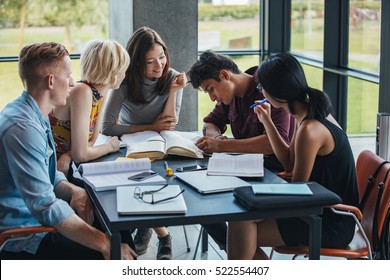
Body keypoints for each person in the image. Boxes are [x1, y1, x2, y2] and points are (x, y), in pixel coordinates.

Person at [0, 42, 137, 260]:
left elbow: (46, 174)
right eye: (68, 75)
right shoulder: (23, 128)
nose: (73, 82)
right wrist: (103, 243)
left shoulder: (34, 115)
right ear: (51, 81)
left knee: (116, 225)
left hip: (36, 220)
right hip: (23, 235)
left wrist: (72, 190)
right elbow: (45, 206)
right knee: (111, 246)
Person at [228, 52, 359, 259]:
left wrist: (260, 196)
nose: (261, 93)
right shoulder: (308, 113)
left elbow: (298, 187)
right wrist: (267, 122)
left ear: (276, 91)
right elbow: (289, 162)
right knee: (241, 223)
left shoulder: (310, 128)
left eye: (262, 88)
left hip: (330, 220)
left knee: (241, 227)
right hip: (319, 208)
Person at [187, 50, 292, 251]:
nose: (212, 98)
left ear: (225, 75)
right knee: (198, 200)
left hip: (274, 178)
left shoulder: (268, 89)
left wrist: (223, 146)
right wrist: (215, 136)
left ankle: (234, 249)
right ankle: (233, 248)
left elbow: (275, 142)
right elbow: (211, 122)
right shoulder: (230, 97)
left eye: (211, 89)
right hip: (245, 173)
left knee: (223, 211)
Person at [102, 26, 187, 260]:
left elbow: (170, 122)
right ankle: (164, 235)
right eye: (150, 61)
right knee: (139, 177)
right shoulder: (126, 82)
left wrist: (173, 91)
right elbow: (107, 126)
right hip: (135, 145)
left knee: (162, 174)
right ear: (137, 62)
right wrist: (151, 126)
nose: (159, 65)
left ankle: (151, 228)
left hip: (162, 143)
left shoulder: (172, 76)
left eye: (162, 57)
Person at [49, 39, 129, 181]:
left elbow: (92, 140)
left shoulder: (99, 94)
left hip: (63, 169)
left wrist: (69, 154)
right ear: (114, 72)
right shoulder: (82, 91)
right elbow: (81, 154)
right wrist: (109, 146)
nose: (125, 74)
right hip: (50, 172)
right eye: (123, 68)